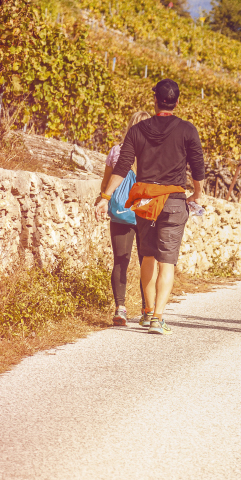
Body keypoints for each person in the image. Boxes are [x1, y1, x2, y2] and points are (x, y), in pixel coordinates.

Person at [95, 79, 205, 336]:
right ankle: (157, 317)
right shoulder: (188, 130)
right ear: (178, 101)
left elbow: (122, 166)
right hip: (174, 201)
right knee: (167, 261)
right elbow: (198, 167)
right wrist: (197, 194)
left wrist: (105, 197)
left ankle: (147, 314)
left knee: (148, 256)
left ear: (155, 99)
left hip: (145, 201)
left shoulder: (138, 130)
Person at [100, 110, 150, 326]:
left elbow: (106, 182)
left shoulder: (116, 151)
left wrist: (103, 199)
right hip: (147, 211)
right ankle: (147, 309)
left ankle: (120, 308)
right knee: (146, 261)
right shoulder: (156, 153)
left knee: (121, 259)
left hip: (121, 211)